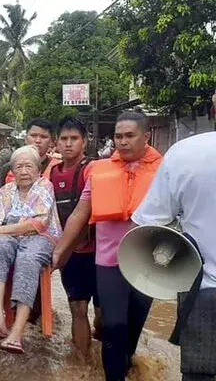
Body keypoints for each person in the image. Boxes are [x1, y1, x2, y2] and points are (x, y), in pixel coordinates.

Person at [52, 112, 163, 381]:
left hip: (148, 263)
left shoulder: (164, 170)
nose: (122, 142)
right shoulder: (100, 171)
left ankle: (125, 366)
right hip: (109, 261)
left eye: (129, 136)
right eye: (118, 136)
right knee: (113, 324)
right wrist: (59, 252)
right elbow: (79, 214)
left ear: (145, 136)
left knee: (133, 327)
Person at [131, 132, 216, 381]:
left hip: (202, 291)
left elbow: (148, 224)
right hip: (201, 289)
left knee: (200, 376)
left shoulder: (185, 152)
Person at [0, 145, 62, 354]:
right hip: (10, 236)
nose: (23, 171)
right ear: (12, 170)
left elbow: (37, 225)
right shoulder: (5, 191)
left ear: (38, 169)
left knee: (27, 259)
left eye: (29, 166)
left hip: (41, 237)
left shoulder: (44, 186)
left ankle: (16, 333)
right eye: (18, 166)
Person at [49, 117, 101, 362]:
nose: (69, 144)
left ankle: (102, 359)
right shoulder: (51, 174)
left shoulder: (92, 169)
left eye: (74, 139)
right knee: (78, 310)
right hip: (71, 256)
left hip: (99, 253)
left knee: (103, 314)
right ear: (56, 142)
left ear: (84, 141)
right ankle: (81, 365)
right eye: (64, 139)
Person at [3, 118, 61, 184]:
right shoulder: (9, 167)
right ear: (25, 139)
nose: (37, 141)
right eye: (33, 135)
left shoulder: (59, 167)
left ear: (51, 142)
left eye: (43, 137)